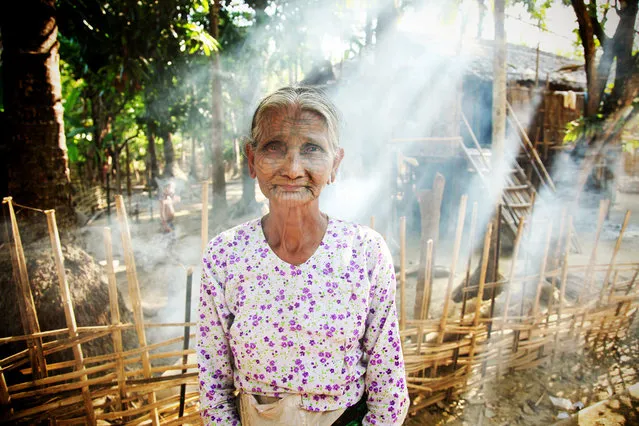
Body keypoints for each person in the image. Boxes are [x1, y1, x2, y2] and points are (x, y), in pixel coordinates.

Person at [197, 86, 409, 425]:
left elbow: (389, 387)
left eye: (312, 149)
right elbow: (213, 386)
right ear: (252, 160)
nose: (293, 169)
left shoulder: (365, 253)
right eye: (274, 148)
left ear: (335, 164)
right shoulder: (225, 256)